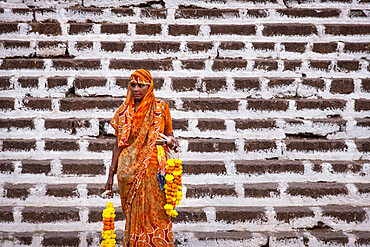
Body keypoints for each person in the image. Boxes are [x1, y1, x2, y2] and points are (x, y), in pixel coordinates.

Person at [105, 69, 179, 247]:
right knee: (133, 215)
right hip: (127, 171)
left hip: (154, 169)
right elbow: (118, 144)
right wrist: (110, 175)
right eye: (133, 85)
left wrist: (171, 141)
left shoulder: (161, 108)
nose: (136, 89)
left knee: (158, 210)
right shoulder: (123, 112)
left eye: (141, 85)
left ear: (149, 86)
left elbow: (170, 135)